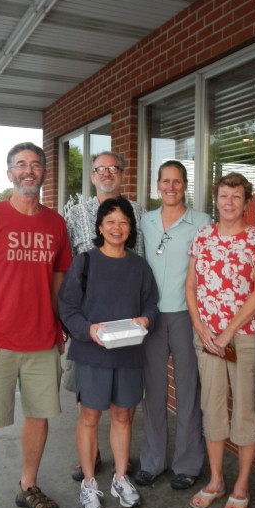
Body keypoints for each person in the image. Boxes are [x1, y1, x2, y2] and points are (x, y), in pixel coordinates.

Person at [0, 142, 72, 508]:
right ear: (10, 174)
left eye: (36, 164)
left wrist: (57, 325)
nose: (28, 170)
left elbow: (58, 277)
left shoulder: (55, 223)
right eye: (20, 165)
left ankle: (28, 486)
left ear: (43, 173)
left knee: (38, 417)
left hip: (41, 341)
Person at [59, 197, 159, 508]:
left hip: (128, 353)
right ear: (100, 226)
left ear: (131, 229)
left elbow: (151, 305)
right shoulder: (85, 262)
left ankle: (119, 477)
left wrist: (146, 319)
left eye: (124, 222)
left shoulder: (139, 266)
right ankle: (89, 482)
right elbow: (68, 308)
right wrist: (88, 331)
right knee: (89, 419)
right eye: (111, 221)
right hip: (92, 354)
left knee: (123, 417)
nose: (117, 228)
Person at [185, 172, 255, 508]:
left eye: (236, 196)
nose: (229, 202)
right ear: (215, 200)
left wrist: (227, 332)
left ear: (246, 202)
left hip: (243, 337)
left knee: (245, 409)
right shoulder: (202, 237)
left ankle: (242, 485)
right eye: (223, 196)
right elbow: (191, 286)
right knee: (212, 407)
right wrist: (202, 329)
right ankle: (217, 480)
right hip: (207, 338)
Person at [63, 150, 144, 481]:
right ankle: (91, 459)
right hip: (89, 323)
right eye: (101, 170)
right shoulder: (74, 213)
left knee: (123, 405)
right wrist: (72, 323)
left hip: (127, 324)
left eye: (114, 169)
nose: (108, 174)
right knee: (89, 404)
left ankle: (121, 464)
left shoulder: (137, 212)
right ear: (93, 176)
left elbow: (141, 264)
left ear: (122, 175)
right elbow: (67, 265)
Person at [135, 160, 210, 491]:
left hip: (186, 316)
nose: (170, 187)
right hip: (151, 316)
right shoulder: (144, 221)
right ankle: (153, 461)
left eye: (176, 181)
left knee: (188, 391)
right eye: (165, 181)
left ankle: (187, 463)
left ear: (185, 185)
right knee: (153, 392)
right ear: (157, 184)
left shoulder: (202, 222)